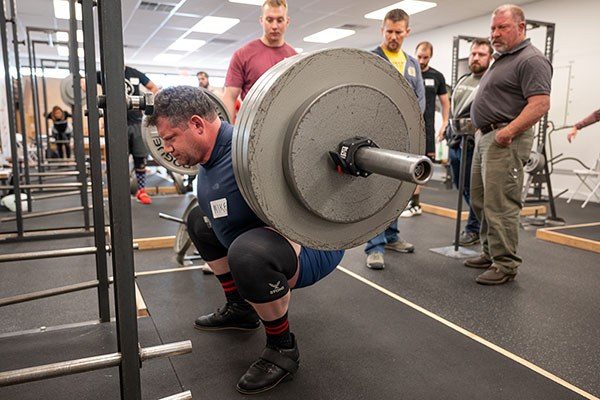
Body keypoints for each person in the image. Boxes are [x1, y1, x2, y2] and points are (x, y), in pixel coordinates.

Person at [146, 86, 344, 394]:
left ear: (198, 125)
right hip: (261, 237)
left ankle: (283, 348)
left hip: (308, 245)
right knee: (199, 221)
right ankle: (241, 308)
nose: (167, 149)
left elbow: (310, 196)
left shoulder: (252, 152)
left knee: (247, 254)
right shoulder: (213, 154)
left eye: (171, 138)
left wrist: (267, 261)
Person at [466, 4, 552, 285]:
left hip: (505, 139)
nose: (495, 33)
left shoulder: (531, 59)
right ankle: (490, 253)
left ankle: (505, 264)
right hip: (486, 137)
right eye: (493, 28)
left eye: (502, 27)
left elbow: (540, 104)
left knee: (501, 203)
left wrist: (508, 132)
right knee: (481, 200)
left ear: (521, 27)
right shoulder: (502, 58)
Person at [365, 8, 426, 270]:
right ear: (382, 30)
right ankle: (374, 246)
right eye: (389, 31)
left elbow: (420, 100)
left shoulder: (412, 64)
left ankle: (391, 236)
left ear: (407, 32)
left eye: (398, 32)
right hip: (377, 138)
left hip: (404, 139)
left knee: (399, 189)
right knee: (377, 192)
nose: (393, 36)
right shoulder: (372, 58)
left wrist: (409, 128)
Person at [443, 38, 493, 246]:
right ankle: (479, 223)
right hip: (456, 142)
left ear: (490, 57)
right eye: (473, 53)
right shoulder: (464, 80)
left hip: (474, 145)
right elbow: (454, 109)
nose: (476, 58)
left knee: (475, 190)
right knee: (461, 186)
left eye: (481, 54)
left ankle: (474, 228)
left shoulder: (491, 80)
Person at [222, 0, 296, 120]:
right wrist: (228, 132)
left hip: (284, 124)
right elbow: (230, 97)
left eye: (280, 20)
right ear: (262, 20)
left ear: (287, 21)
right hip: (252, 124)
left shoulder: (295, 58)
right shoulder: (243, 54)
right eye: (269, 20)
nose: (274, 26)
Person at [400, 41, 450, 218]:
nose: (421, 60)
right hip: (406, 125)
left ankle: (415, 204)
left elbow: (445, 102)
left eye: (425, 57)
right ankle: (404, 201)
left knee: (420, 164)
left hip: (427, 128)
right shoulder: (408, 73)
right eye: (419, 56)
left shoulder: (437, 76)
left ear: (431, 57)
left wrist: (445, 122)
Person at [95, 66, 159, 204]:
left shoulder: (134, 73)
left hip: (137, 123)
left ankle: (141, 191)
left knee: (140, 159)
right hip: (117, 124)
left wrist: (147, 104)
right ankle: (120, 194)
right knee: (118, 162)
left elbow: (153, 87)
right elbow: (84, 82)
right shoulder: (106, 72)